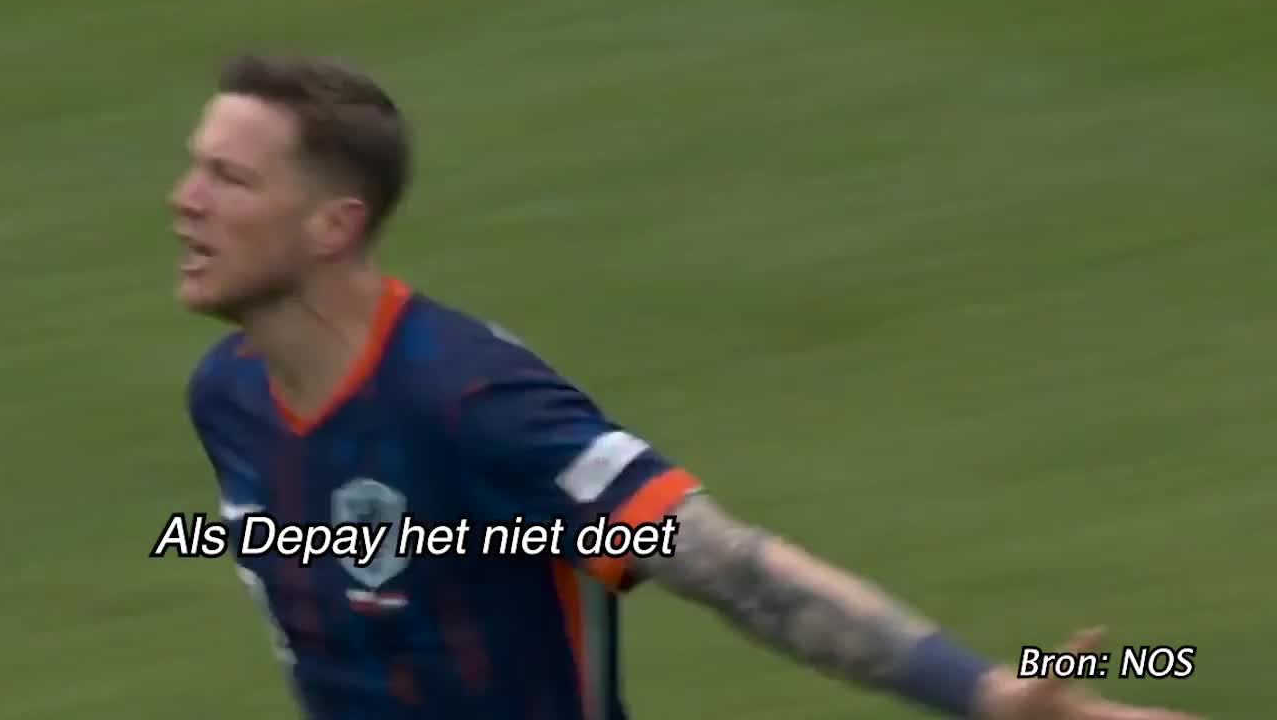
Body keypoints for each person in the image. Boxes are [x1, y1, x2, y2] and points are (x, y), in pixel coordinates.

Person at [171, 51, 1201, 720]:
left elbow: (726, 565)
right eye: (196, 167)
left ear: (334, 225)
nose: (187, 201)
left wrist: (980, 693)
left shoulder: (468, 400)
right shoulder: (230, 399)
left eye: (232, 178)